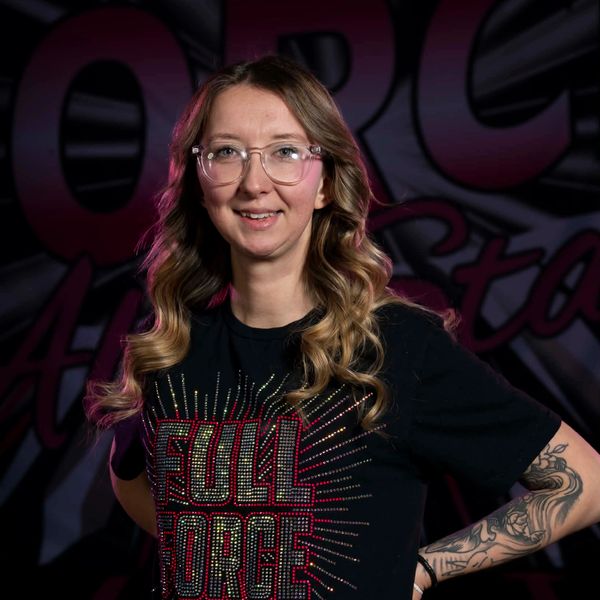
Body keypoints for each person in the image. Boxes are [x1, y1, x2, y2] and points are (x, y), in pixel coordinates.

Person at [85, 54, 600, 600]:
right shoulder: (169, 347)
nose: (255, 183)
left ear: (325, 183)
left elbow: (584, 483)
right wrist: (216, 548)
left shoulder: (395, 347)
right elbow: (129, 477)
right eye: (227, 152)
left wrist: (424, 570)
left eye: (285, 152)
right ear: (199, 180)